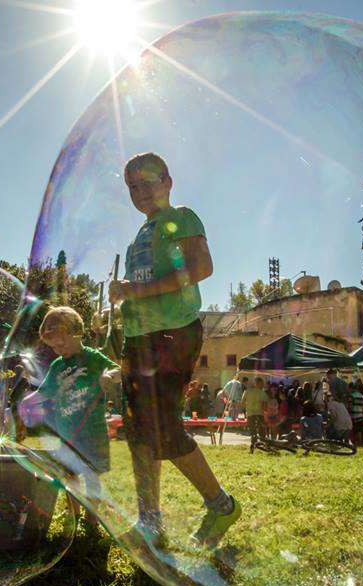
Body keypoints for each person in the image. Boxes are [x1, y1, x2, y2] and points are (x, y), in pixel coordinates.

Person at [108, 152, 239, 548]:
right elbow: (144, 289)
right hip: (141, 339)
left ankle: (221, 505)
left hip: (174, 333)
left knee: (163, 427)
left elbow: (200, 267)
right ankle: (150, 521)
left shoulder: (181, 216)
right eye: (132, 186)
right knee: (138, 431)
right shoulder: (138, 238)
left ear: (168, 181)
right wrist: (123, 309)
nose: (141, 192)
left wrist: (136, 290)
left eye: (149, 182)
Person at [26, 306, 120, 528]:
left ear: (77, 333)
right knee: (70, 477)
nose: (58, 350)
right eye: (53, 347)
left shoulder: (93, 358)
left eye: (61, 344)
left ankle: (92, 517)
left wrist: (109, 375)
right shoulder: (58, 365)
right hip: (67, 434)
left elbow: (117, 369)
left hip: (93, 432)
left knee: (91, 477)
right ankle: (74, 513)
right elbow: (46, 391)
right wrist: (28, 400)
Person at [242, 377, 267, 444]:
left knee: (253, 432)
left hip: (250, 414)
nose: (263, 385)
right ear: (259, 383)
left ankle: (253, 445)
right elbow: (265, 406)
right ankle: (263, 444)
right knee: (262, 432)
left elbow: (242, 402)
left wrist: (247, 408)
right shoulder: (262, 392)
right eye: (262, 384)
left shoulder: (247, 391)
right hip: (260, 414)